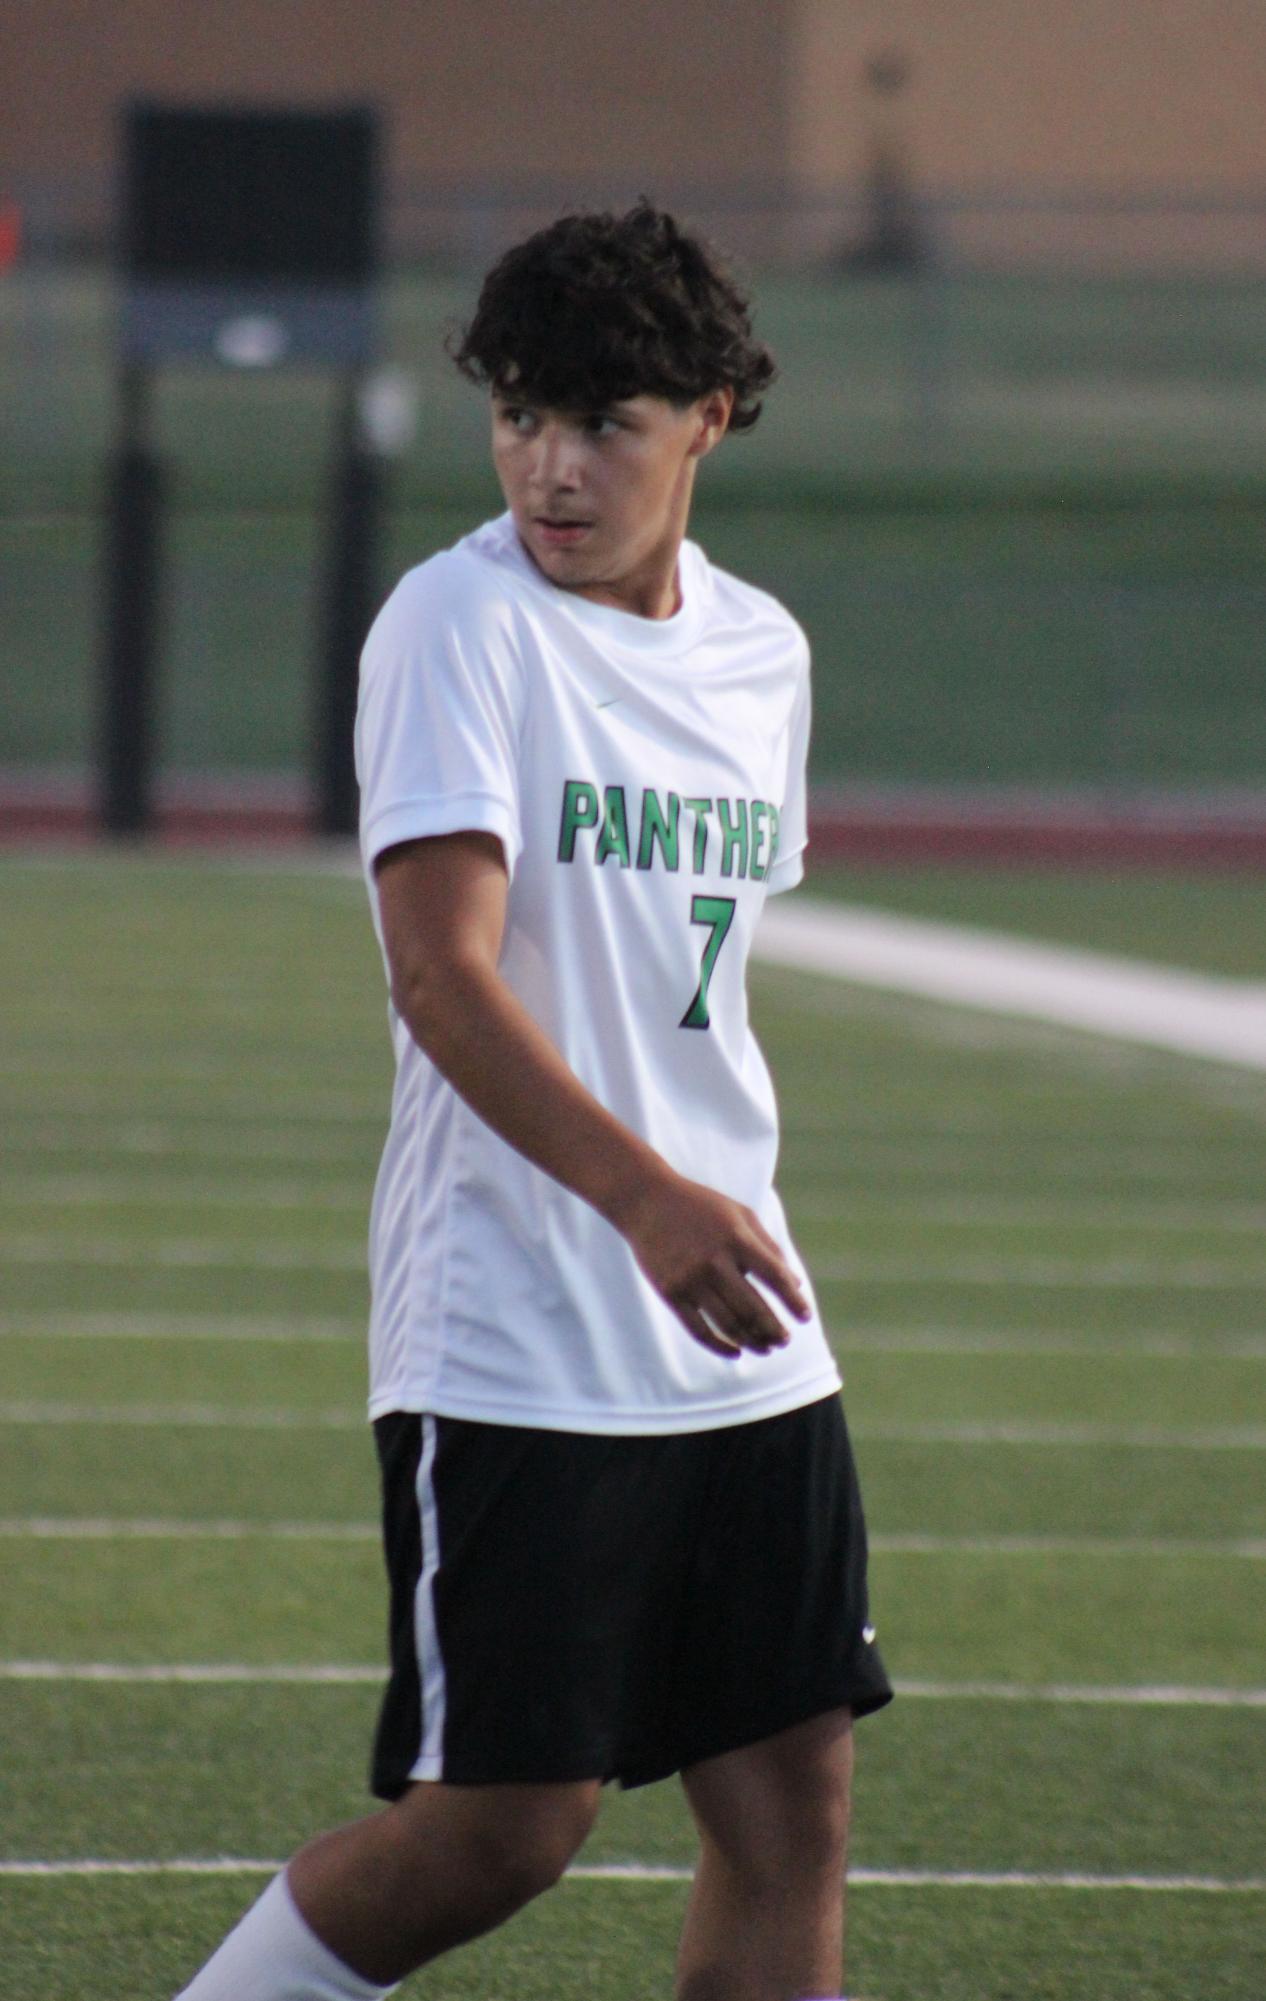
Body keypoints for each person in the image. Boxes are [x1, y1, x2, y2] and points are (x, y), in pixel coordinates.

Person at [174, 201, 891, 2001]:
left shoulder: (762, 654)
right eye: (518, 416)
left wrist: (699, 1201)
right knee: (505, 1824)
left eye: (603, 424)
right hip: (520, 1324)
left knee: (793, 1788)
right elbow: (444, 978)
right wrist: (645, 1197)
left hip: (740, 1321)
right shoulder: (457, 623)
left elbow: (692, 985)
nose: (549, 469)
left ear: (709, 413)